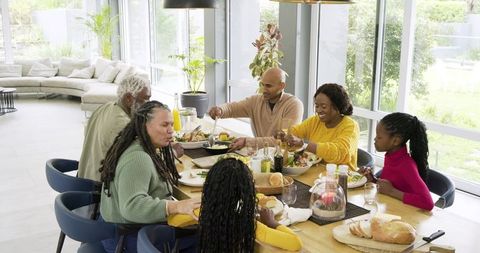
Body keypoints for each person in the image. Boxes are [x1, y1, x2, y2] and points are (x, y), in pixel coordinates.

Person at [99, 101, 200, 253]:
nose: (171, 131)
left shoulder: (136, 146)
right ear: (144, 125)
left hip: (122, 233)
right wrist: (176, 206)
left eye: (172, 125)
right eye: (164, 125)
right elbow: (131, 207)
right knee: (208, 235)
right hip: (129, 241)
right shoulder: (138, 158)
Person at [168, 158, 303, 252]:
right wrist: (272, 222)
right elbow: (295, 243)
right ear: (245, 193)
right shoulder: (247, 224)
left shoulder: (202, 211)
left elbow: (173, 221)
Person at [208, 67, 303, 150]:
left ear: (282, 86)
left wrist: (247, 141)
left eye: (268, 86)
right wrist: (220, 110)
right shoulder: (255, 101)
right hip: (260, 156)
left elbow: (283, 140)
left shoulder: (294, 105)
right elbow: (233, 108)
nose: (264, 90)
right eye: (262, 85)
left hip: (285, 160)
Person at [78, 75, 151, 181]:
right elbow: (139, 159)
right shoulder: (122, 124)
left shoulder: (105, 107)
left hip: (83, 178)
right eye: (146, 99)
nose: (149, 104)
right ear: (129, 98)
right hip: (99, 188)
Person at [360, 112, 434, 211]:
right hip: (392, 210)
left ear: (395, 141)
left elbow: (428, 203)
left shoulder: (406, 165)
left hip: (407, 216)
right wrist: (373, 179)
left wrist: (391, 191)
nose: (375, 139)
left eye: (379, 137)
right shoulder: (391, 156)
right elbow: (392, 184)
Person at [281, 83, 359, 171]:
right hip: (316, 174)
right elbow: (296, 131)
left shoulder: (350, 126)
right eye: (317, 106)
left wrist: (304, 144)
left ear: (337, 106)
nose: (318, 110)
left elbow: (339, 153)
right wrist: (284, 135)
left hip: (342, 178)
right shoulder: (315, 120)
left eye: (323, 106)